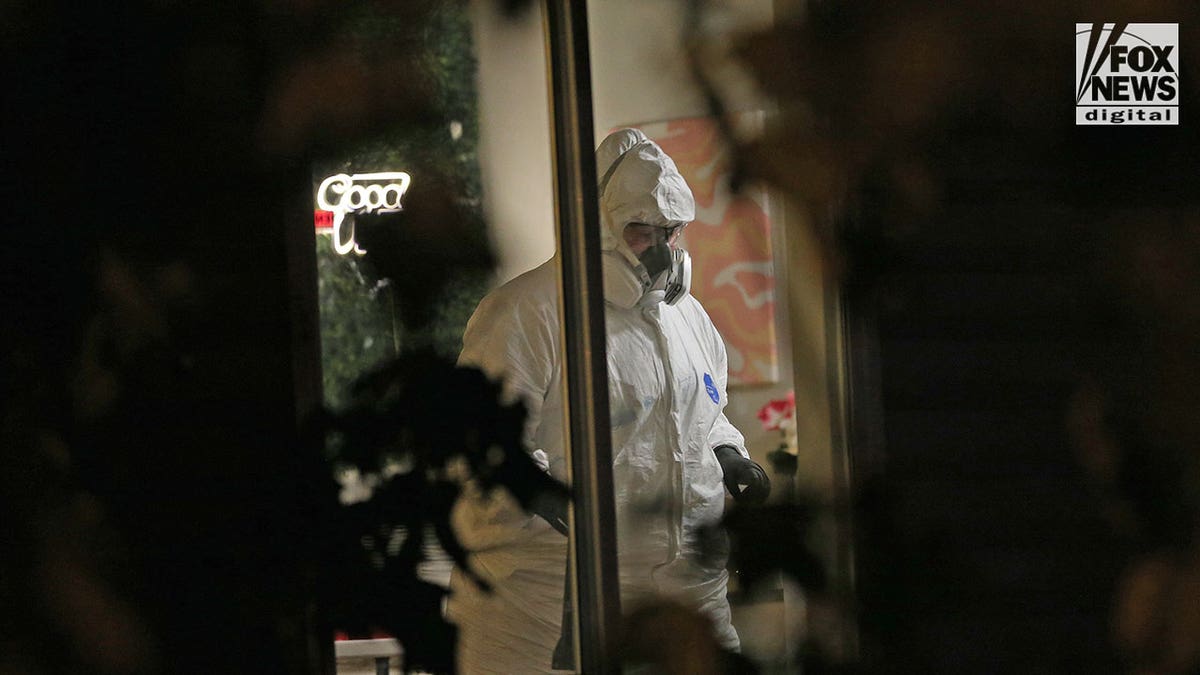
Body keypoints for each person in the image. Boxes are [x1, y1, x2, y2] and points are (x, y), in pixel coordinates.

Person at [446, 128, 769, 674]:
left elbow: (704, 416)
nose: (663, 251)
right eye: (642, 233)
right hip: (547, 611)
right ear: (597, 230)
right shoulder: (529, 313)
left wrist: (729, 455)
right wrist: (543, 495)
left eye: (671, 231)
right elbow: (474, 442)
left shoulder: (688, 318)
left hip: (688, 596)